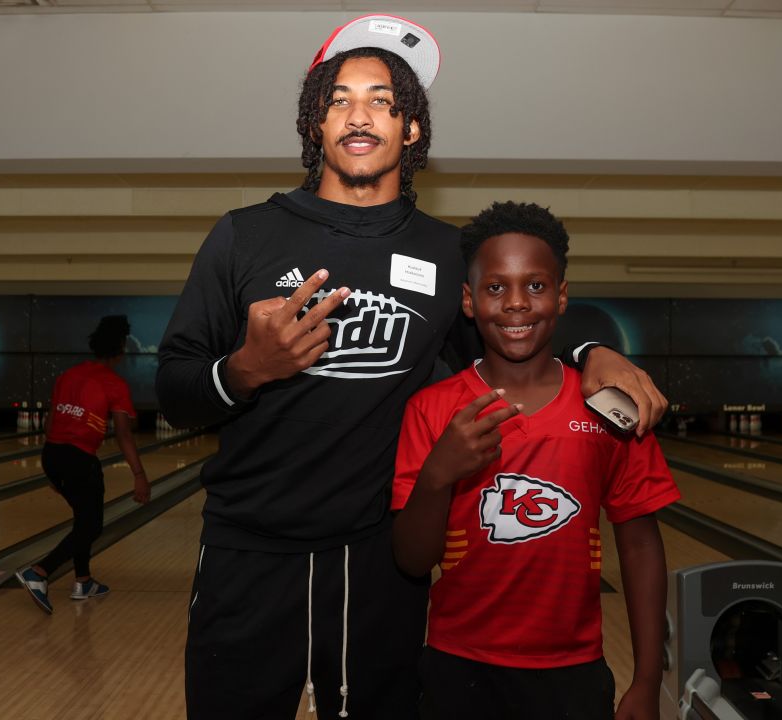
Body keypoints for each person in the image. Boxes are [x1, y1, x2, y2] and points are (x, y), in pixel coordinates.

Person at [156, 15, 667, 720]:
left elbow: (512, 329)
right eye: (338, 98)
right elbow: (174, 389)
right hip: (250, 549)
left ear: (412, 129)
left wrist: (592, 351)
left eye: (383, 99)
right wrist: (246, 368)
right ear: (315, 125)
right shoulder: (244, 234)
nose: (359, 113)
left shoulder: (444, 254)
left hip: (379, 562)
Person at [391, 201, 681, 720]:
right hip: (458, 668)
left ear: (562, 296)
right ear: (468, 300)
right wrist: (438, 474)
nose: (517, 304)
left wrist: (646, 679)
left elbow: (639, 546)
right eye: (496, 287)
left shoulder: (610, 409)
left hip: (572, 673)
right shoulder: (431, 409)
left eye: (537, 286)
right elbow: (412, 561)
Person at [15, 315, 150, 614]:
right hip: (79, 460)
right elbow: (124, 436)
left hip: (53, 454)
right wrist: (139, 475)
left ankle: (83, 581)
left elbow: (51, 421)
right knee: (92, 524)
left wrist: (52, 468)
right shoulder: (115, 384)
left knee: (83, 519)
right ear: (122, 348)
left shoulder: (68, 375)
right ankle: (39, 572)